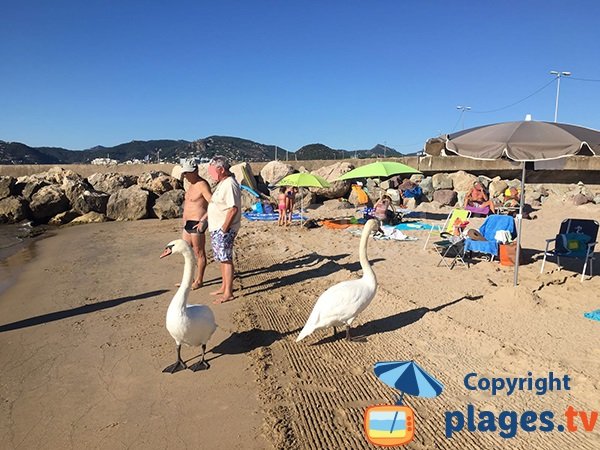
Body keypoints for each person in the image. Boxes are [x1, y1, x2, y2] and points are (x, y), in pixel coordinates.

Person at [207, 155, 241, 304]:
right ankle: (224, 286)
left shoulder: (230, 184)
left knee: (226, 259)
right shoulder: (222, 183)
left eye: (212, 170)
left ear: (220, 169)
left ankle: (228, 292)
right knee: (222, 258)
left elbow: (233, 209)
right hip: (218, 228)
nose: (210, 173)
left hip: (224, 229)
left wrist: (224, 229)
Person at [180, 159, 212, 290]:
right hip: (187, 224)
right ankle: (188, 280)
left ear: (195, 171)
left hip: (197, 223)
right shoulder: (190, 185)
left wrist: (204, 220)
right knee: (186, 252)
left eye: (187, 173)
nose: (185, 176)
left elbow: (213, 203)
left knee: (199, 253)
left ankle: (199, 280)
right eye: (184, 173)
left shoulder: (202, 184)